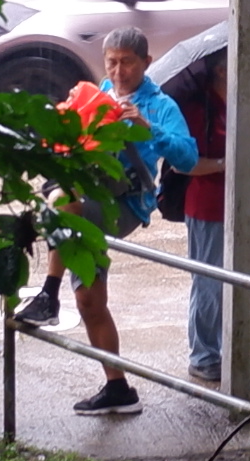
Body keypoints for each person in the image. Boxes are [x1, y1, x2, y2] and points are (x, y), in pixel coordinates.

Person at [15, 28, 194, 415]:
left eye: (127, 62)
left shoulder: (160, 105)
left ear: (146, 62)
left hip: (124, 203)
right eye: (111, 62)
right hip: (86, 197)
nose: (118, 71)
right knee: (89, 301)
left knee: (62, 200)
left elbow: (188, 157)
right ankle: (118, 388)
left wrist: (149, 129)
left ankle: (48, 293)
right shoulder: (102, 91)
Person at [180, 49, 231, 383]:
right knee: (209, 284)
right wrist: (225, 164)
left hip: (231, 206)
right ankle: (203, 355)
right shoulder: (201, 110)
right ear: (221, 70)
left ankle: (220, 349)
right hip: (206, 207)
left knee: (226, 285)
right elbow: (183, 163)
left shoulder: (233, 105)